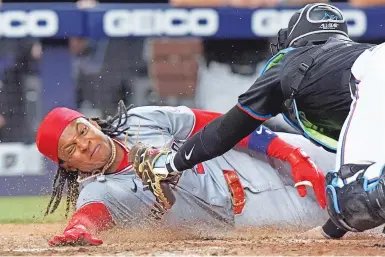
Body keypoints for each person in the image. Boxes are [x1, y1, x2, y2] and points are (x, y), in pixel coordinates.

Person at [128, 3, 385, 239]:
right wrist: (330, 231)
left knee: (351, 193)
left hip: (376, 74)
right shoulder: (351, 61)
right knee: (358, 191)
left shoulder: (290, 61)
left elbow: (227, 130)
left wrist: (172, 162)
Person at [35, 101, 333, 246]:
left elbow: (222, 124)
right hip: (256, 211)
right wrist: (80, 228)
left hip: (257, 160)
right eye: (71, 149)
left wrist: (288, 152)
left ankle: (161, 171)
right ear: (68, 166)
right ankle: (161, 176)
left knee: (364, 164)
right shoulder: (99, 191)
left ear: (92, 123)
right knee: (358, 212)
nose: (85, 144)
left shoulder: (141, 120)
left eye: (82, 131)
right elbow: (90, 214)